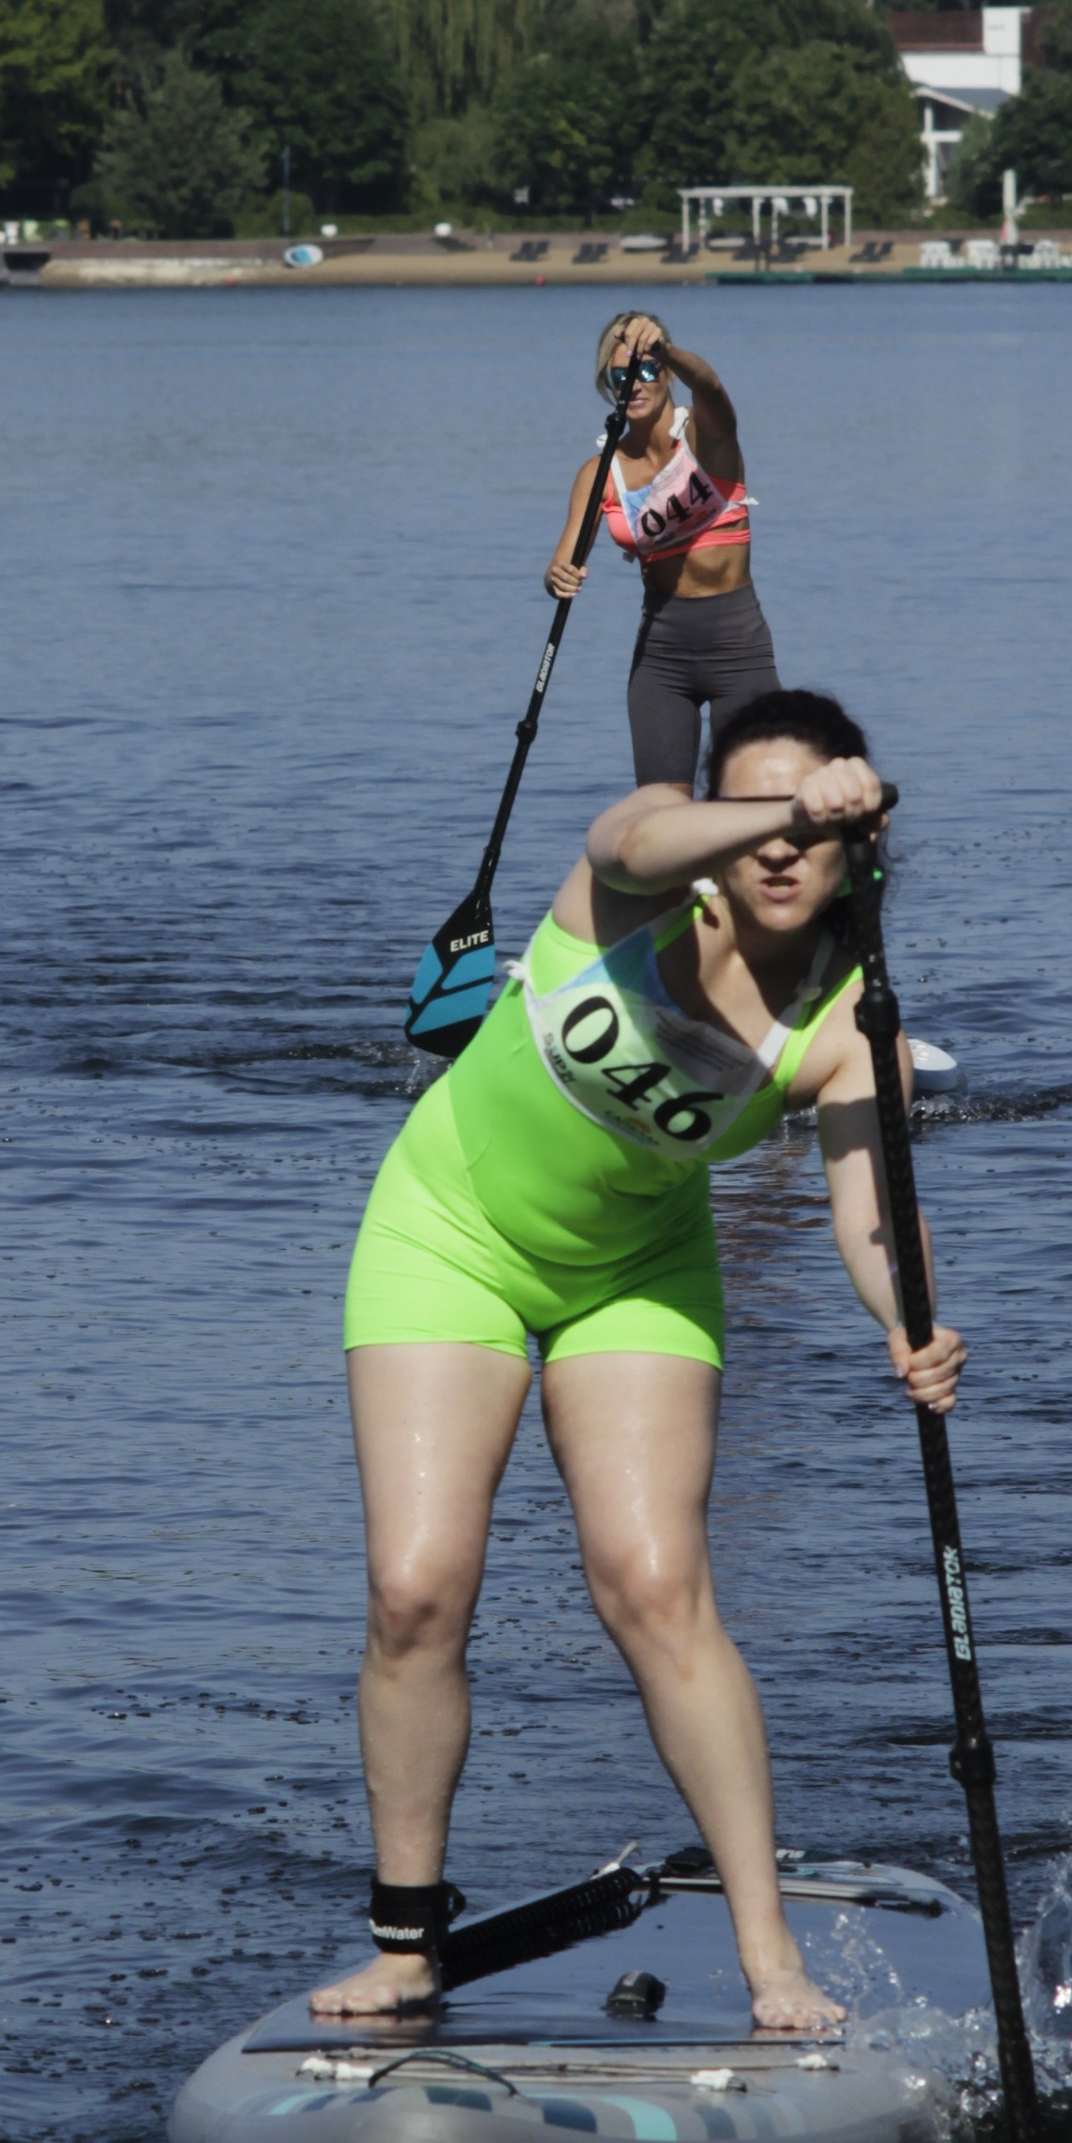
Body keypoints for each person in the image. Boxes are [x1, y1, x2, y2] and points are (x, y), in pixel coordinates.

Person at [316, 686, 965, 2035]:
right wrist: (785, 800)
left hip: (635, 1275)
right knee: (418, 1589)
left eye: (815, 822)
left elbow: (870, 1217)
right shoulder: (645, 863)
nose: (782, 849)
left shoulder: (851, 1025)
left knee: (658, 1589)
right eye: (759, 815)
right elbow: (637, 838)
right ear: (722, 819)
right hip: (448, 1234)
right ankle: (404, 1949)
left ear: (862, 844)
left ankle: (773, 1961)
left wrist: (912, 1325)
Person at [545, 311, 776, 793]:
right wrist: (556, 578)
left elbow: (710, 386)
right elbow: (563, 561)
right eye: (621, 375)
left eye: (647, 370)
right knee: (658, 815)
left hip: (739, 649)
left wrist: (666, 349)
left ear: (668, 373)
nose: (635, 383)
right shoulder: (600, 471)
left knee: (747, 809)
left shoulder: (707, 437)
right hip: (661, 658)